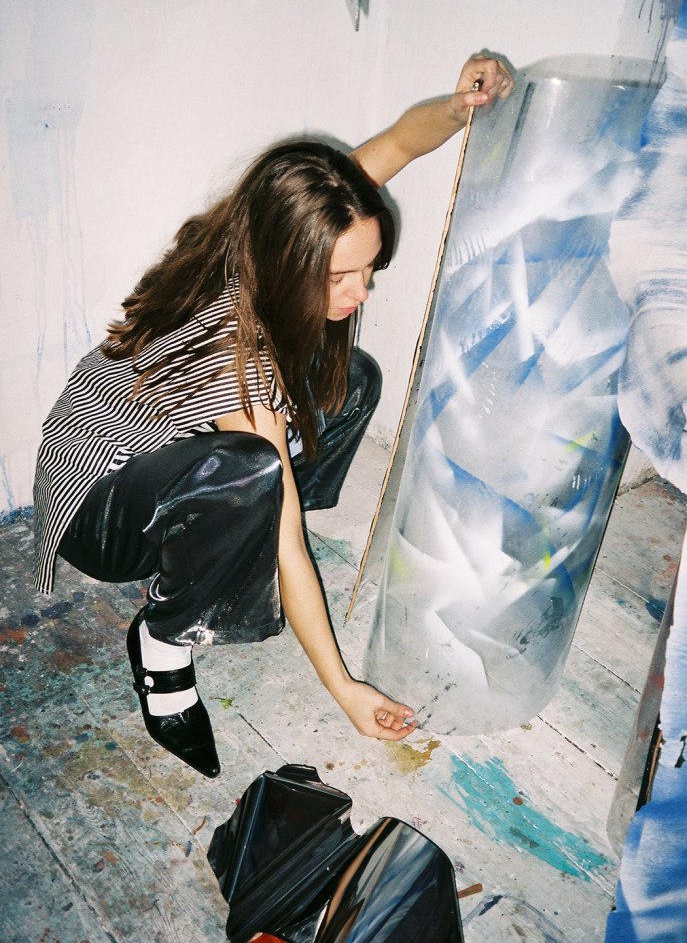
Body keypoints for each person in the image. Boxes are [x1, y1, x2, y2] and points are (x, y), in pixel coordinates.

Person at [33, 56, 513, 778]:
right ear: (293, 262)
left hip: (159, 449)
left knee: (352, 379)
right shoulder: (239, 354)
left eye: (369, 269)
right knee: (255, 472)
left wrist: (457, 106)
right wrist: (344, 689)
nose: (361, 292)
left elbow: (397, 144)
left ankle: (239, 528)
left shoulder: (280, 223)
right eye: (340, 278)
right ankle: (163, 643)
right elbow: (288, 535)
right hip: (94, 505)